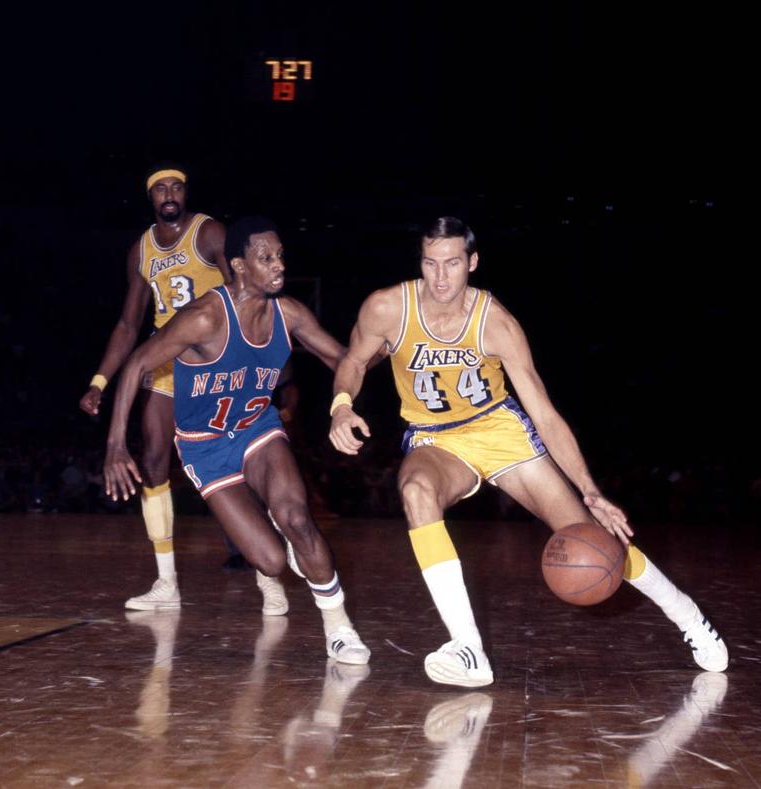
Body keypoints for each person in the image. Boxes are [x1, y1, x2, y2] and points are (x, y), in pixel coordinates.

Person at [329, 216, 726, 686]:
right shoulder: (386, 307)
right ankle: (469, 650)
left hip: (500, 433)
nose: (440, 277)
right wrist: (340, 407)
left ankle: (688, 616)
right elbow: (353, 361)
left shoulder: (496, 323)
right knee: (415, 490)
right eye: (430, 263)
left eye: (452, 263)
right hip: (436, 438)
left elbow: (544, 414)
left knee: (593, 538)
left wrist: (590, 490)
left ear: (472, 263)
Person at [105, 217, 369, 664]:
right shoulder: (205, 318)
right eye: (266, 258)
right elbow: (136, 365)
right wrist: (115, 444)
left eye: (280, 255)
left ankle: (339, 628)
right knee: (270, 562)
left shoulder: (290, 314)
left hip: (257, 429)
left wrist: (383, 353)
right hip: (204, 448)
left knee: (297, 517)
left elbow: (344, 359)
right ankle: (275, 553)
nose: (279, 265)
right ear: (239, 266)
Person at [80, 164, 286, 615]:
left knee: (241, 459)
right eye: (160, 189)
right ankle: (166, 582)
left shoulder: (209, 232)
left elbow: (247, 281)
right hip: (170, 362)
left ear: (186, 193)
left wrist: (257, 348)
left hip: (215, 360)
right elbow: (128, 323)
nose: (168, 194)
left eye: (175, 186)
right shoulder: (141, 250)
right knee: (153, 458)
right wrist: (101, 381)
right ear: (150, 197)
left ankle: (267, 575)